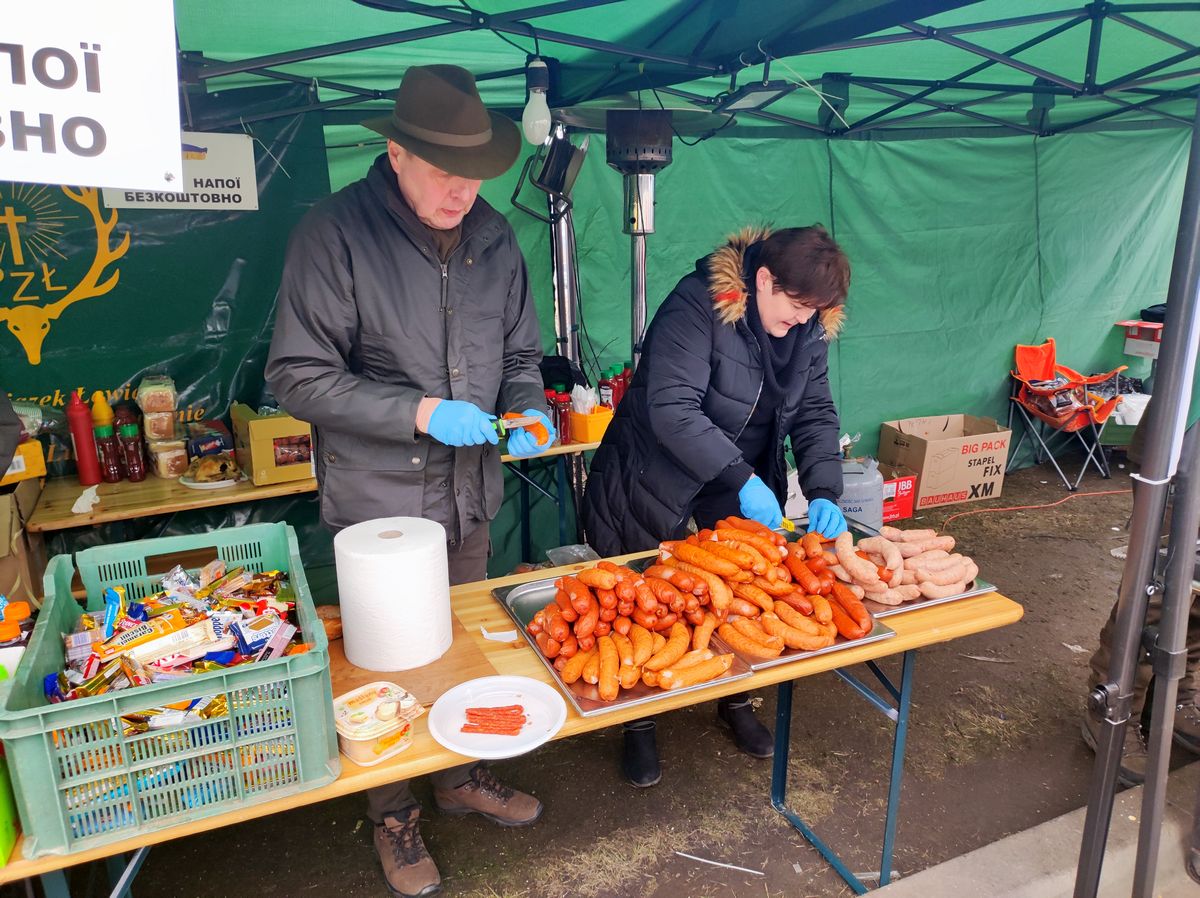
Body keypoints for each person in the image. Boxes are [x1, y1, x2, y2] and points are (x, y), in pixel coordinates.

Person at [266, 64, 555, 898]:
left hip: (468, 498)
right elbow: (297, 375)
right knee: (384, 666)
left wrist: (528, 406)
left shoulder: (497, 239)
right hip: (379, 509)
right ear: (395, 152)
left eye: (474, 176)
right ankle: (391, 810)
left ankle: (461, 774)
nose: (462, 191)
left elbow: (523, 356)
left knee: (459, 651)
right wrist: (420, 412)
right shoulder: (334, 233)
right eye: (443, 173)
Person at [582, 225, 850, 786]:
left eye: (814, 311)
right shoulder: (697, 303)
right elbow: (672, 408)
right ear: (762, 279)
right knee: (647, 600)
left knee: (742, 594)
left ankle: (736, 701)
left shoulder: (809, 327)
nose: (802, 320)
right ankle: (640, 722)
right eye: (795, 305)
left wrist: (824, 488)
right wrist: (740, 475)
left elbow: (815, 412)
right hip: (656, 473)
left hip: (741, 476)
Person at [1082, 390, 1200, 785]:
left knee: (1197, 594)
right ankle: (1113, 710)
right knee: (1155, 591)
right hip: (1183, 448)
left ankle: (1175, 697)